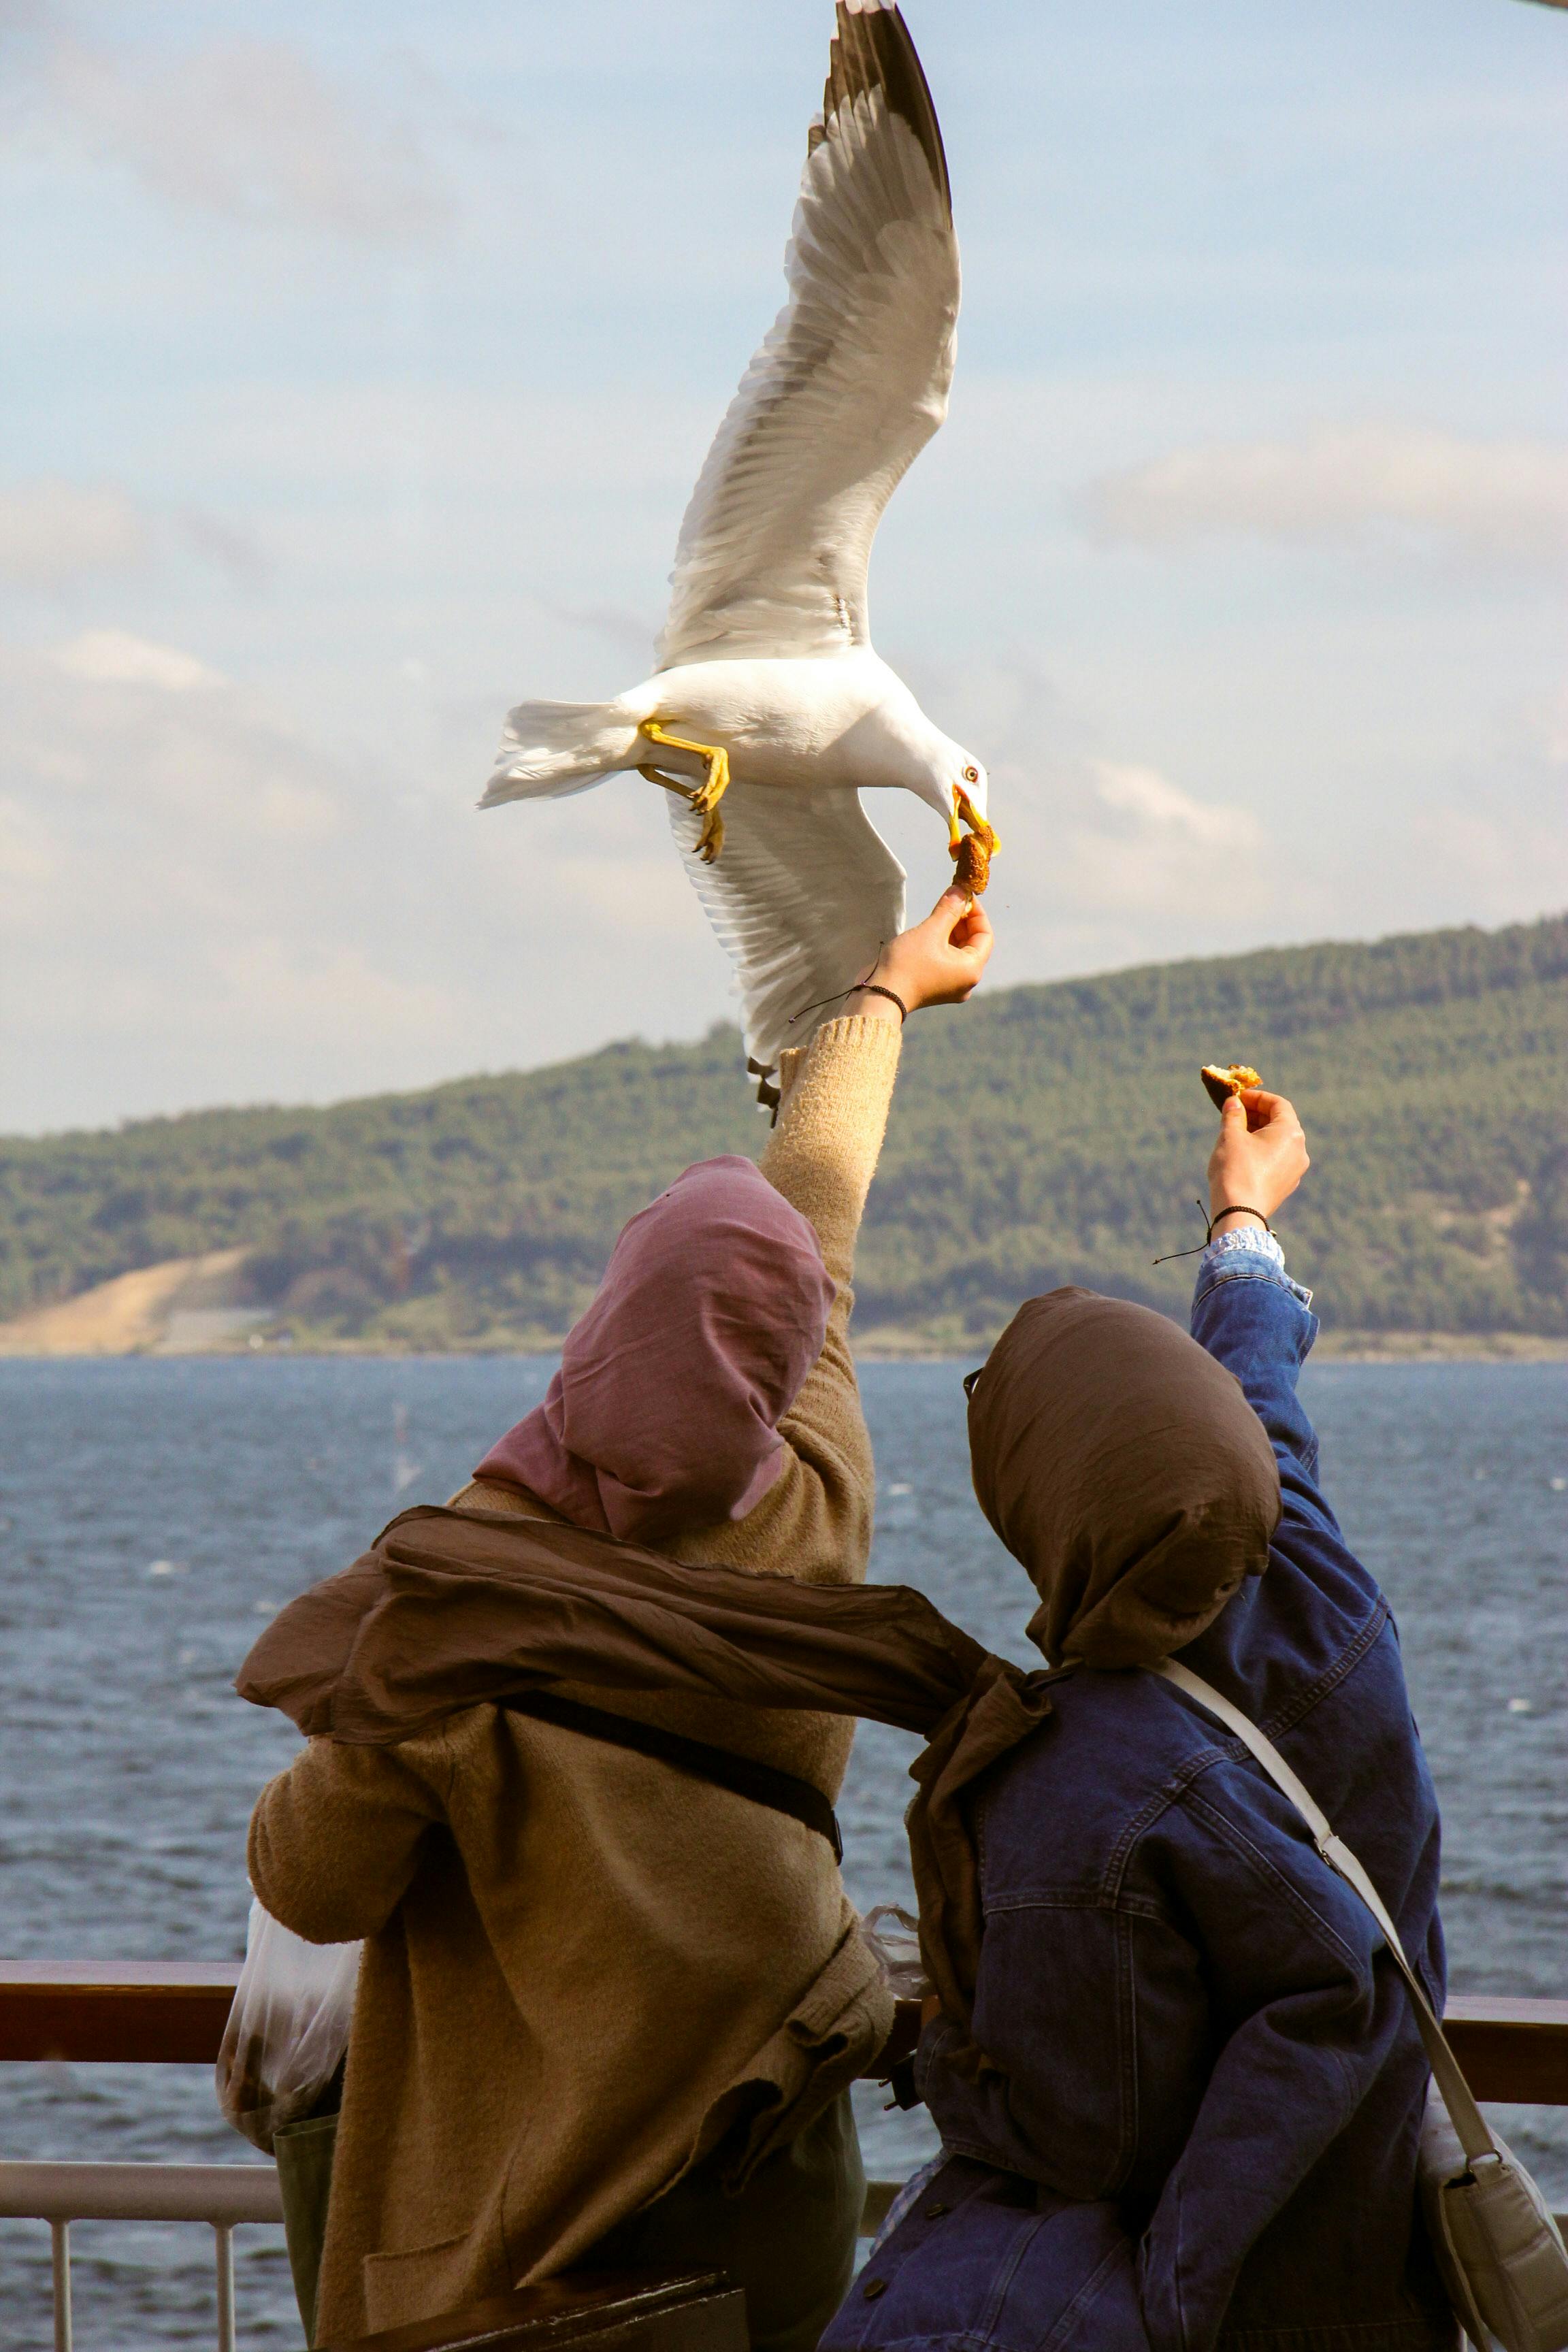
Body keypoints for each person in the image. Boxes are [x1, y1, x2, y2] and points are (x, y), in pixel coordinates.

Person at [244, 885, 994, 2349]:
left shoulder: (461, 1606)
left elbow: (315, 1886)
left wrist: (334, 1749)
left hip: (526, 2253)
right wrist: (888, 999)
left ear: (600, 1329)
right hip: (761, 2175)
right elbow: (815, 1229)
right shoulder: (814, 1493)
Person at [828, 1089, 1456, 2351]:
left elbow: (1083, 2129)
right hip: (1383, 2251)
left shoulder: (1076, 1780)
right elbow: (1252, 1395)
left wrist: (943, 2048)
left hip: (1219, 2299)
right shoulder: (1310, 1573)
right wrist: (1241, 1215)